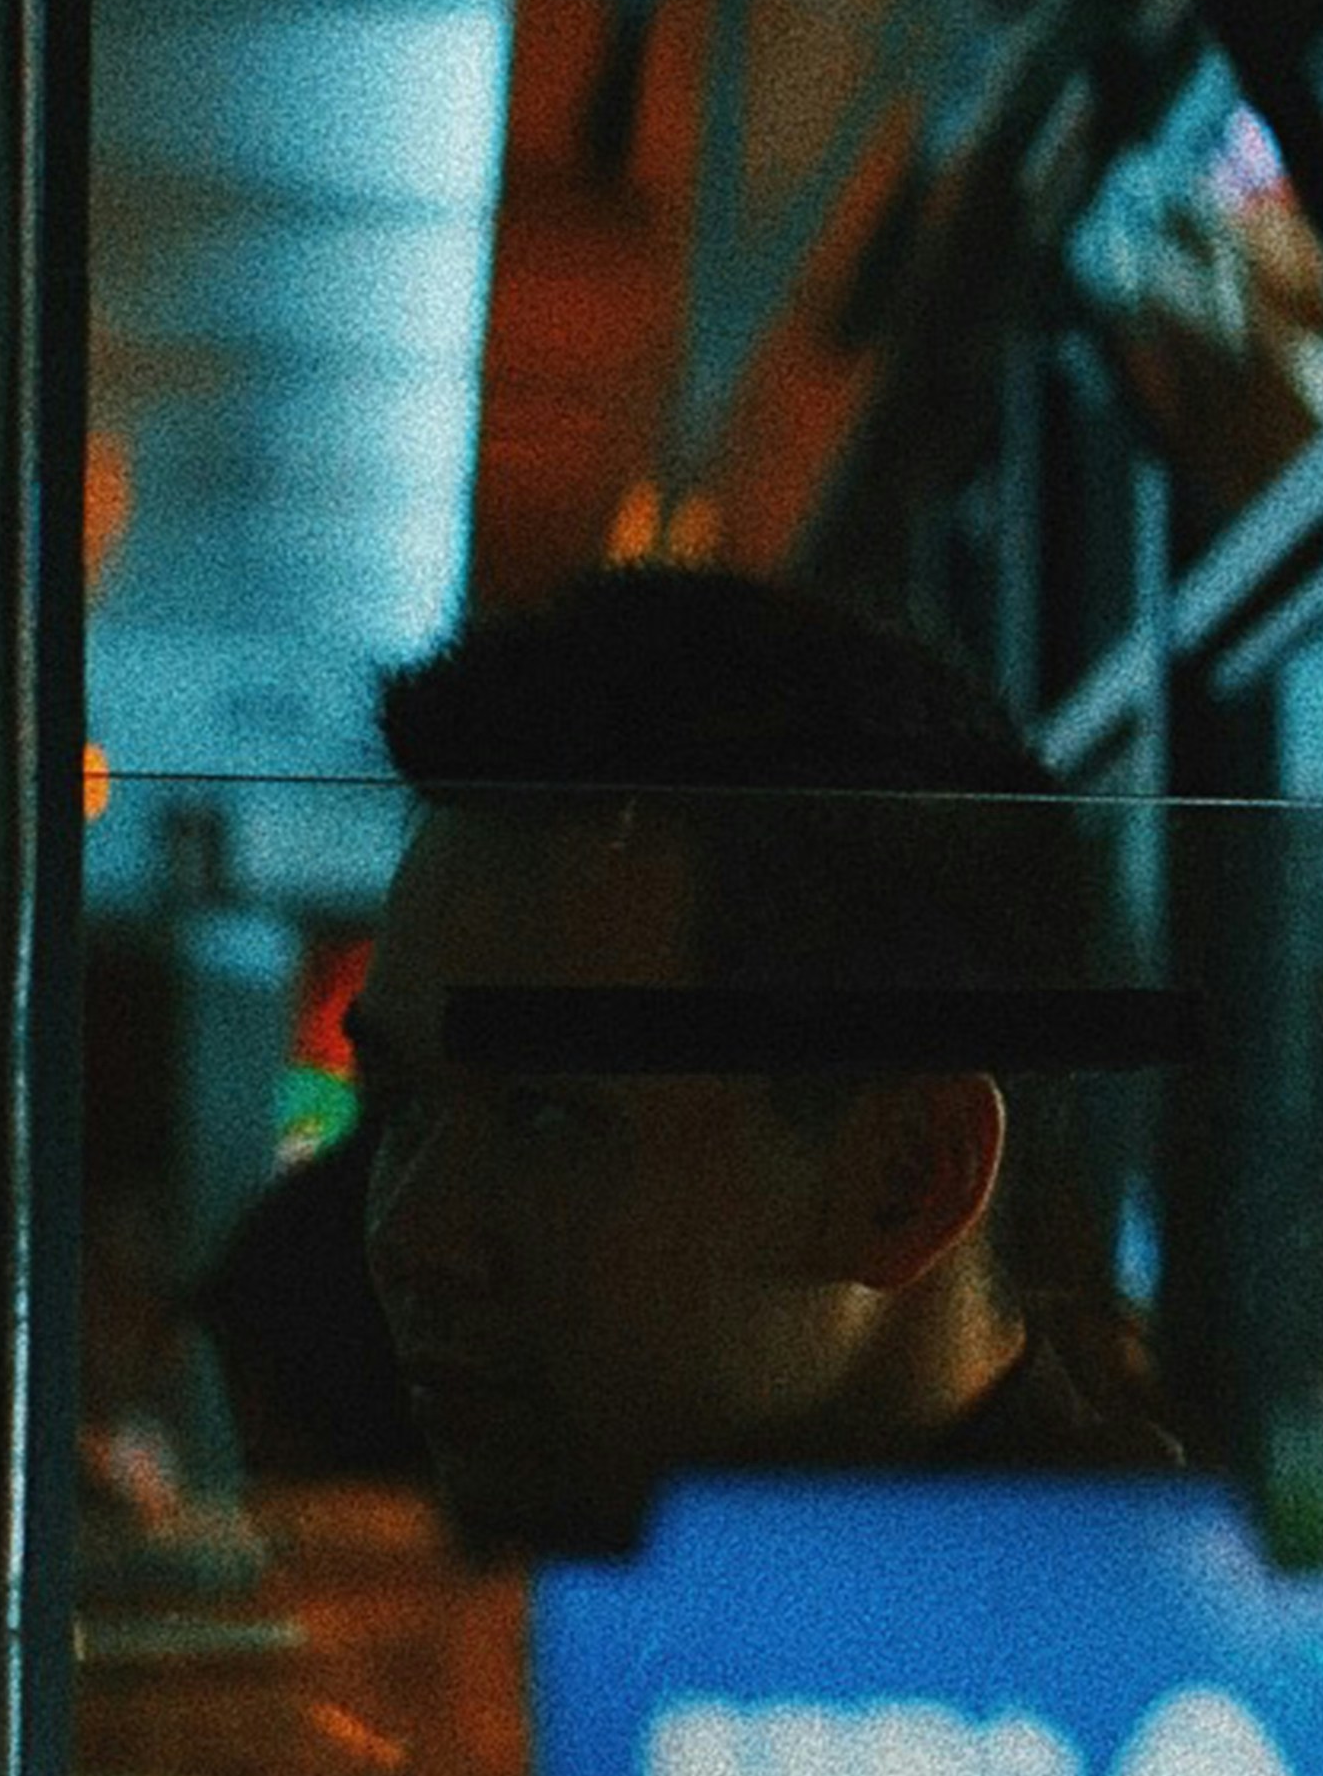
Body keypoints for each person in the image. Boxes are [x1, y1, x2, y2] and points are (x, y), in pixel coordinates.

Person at [347, 564, 1175, 1556]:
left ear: (910, 1176)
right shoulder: (724, 1627)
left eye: (544, 1113)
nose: (408, 1230)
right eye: (399, 1103)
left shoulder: (1121, 1690)